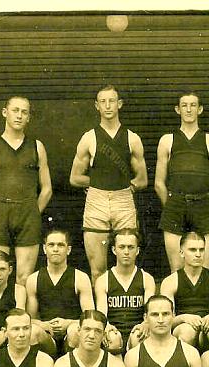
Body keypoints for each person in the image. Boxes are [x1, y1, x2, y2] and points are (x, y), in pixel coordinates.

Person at [70, 84, 148, 283]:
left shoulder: (132, 138)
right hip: (97, 200)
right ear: (96, 106)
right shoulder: (89, 138)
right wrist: (98, 182)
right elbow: (75, 177)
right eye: (103, 101)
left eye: (111, 101)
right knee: (98, 270)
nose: (107, 106)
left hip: (123, 200)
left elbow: (142, 179)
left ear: (119, 104)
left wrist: (124, 186)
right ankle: (99, 313)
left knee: (128, 263)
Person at [0, 95, 53, 285]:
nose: (19, 115)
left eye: (24, 112)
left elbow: (47, 189)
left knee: (24, 277)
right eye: (15, 110)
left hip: (27, 213)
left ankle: (21, 315)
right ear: (5, 113)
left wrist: (32, 211)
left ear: (29, 117)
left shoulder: (37, 147)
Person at [154, 91, 209, 271]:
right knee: (176, 268)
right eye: (184, 105)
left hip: (203, 204)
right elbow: (159, 183)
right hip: (175, 204)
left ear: (200, 109)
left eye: (193, 105)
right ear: (178, 110)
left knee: (204, 268)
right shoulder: (167, 140)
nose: (189, 109)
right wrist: (171, 204)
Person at [26, 229, 95, 357]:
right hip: (47, 338)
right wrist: (45, 325)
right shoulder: (33, 279)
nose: (56, 249)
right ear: (44, 249)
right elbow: (30, 319)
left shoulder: (80, 277)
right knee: (32, 331)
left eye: (61, 245)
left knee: (75, 331)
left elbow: (90, 317)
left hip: (71, 337)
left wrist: (68, 323)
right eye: (51, 245)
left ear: (68, 250)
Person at [160, 231, 209, 350]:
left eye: (201, 250)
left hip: (208, 325)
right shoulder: (170, 282)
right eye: (192, 250)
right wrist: (184, 318)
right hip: (183, 326)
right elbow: (165, 320)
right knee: (187, 332)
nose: (198, 254)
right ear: (181, 252)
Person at [94, 227, 156, 354]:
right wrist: (107, 327)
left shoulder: (146, 279)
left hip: (137, 330)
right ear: (114, 250)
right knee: (112, 339)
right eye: (122, 247)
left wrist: (145, 323)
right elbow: (102, 315)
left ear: (137, 250)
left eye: (131, 247)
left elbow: (150, 312)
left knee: (139, 336)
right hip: (114, 331)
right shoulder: (103, 280)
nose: (126, 252)